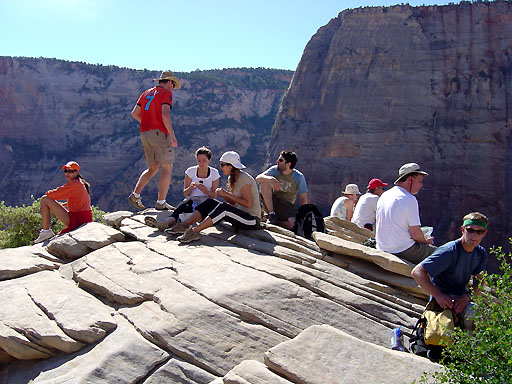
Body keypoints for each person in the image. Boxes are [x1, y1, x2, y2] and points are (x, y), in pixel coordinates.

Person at [411, 212, 489, 330]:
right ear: (463, 229)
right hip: (443, 302)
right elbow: (417, 272)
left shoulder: (480, 253)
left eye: (479, 232)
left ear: (484, 233)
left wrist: (466, 298)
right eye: (470, 230)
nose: (474, 235)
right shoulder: (449, 251)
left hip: (461, 298)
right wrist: (438, 295)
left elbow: (480, 281)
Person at [170, 151, 261, 243]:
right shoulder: (232, 178)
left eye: (222, 165)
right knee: (211, 202)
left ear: (231, 166)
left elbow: (247, 204)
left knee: (223, 208)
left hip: (252, 220)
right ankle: (184, 225)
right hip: (240, 215)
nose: (221, 168)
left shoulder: (243, 178)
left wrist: (226, 194)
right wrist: (223, 195)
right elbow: (233, 203)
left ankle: (194, 231)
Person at [127, 71, 181, 211]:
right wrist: (172, 136)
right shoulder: (166, 94)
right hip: (158, 133)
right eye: (173, 85)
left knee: (153, 167)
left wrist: (147, 123)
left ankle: (135, 194)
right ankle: (161, 202)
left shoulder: (146, 93)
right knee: (167, 167)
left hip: (144, 133)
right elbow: (165, 113)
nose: (173, 88)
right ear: (169, 82)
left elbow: (134, 114)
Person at [145, 146, 220, 229]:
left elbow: (214, 195)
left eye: (204, 160)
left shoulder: (214, 173)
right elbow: (186, 193)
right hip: (192, 200)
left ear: (209, 160)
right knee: (181, 209)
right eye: (199, 160)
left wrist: (206, 191)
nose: (201, 163)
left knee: (202, 208)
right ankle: (165, 223)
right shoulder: (190, 171)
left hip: (206, 202)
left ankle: (181, 226)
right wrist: (191, 187)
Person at [375, 162, 436, 264]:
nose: (421, 185)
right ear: (410, 179)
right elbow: (415, 233)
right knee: (442, 254)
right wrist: (426, 241)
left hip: (382, 247)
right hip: (401, 250)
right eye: (420, 181)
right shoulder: (409, 199)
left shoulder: (385, 195)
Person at [34, 161, 93, 243]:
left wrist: (48, 193)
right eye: (66, 171)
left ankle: (46, 232)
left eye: (70, 171)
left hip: (78, 220)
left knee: (45, 199)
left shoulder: (74, 185)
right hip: (83, 218)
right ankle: (47, 232)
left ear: (76, 172)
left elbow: (54, 194)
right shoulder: (80, 183)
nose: (67, 173)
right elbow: (81, 201)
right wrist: (66, 204)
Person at [256, 151, 308, 229]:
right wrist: (271, 178)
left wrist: (303, 216)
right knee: (264, 182)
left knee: (292, 224)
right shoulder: (275, 169)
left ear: (288, 164)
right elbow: (258, 178)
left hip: (286, 205)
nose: (277, 162)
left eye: (280, 160)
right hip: (271, 202)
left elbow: (304, 198)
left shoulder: (299, 177)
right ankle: (271, 214)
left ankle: (274, 220)